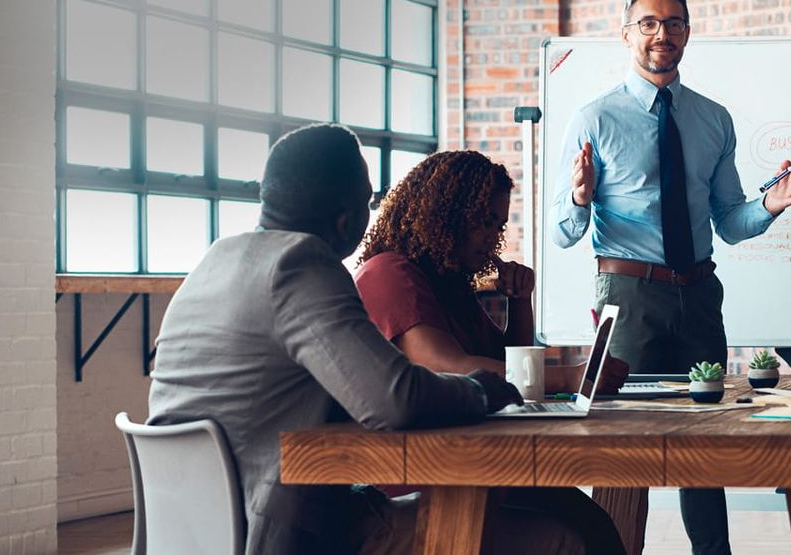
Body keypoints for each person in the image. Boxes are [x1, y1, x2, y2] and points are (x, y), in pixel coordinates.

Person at [148, 124, 584, 555]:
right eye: (367, 201)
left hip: (191, 529)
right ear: (347, 217)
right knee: (561, 539)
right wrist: (478, 390)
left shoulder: (213, 262)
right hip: (282, 529)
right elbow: (396, 399)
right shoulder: (303, 265)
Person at [551, 0, 791, 555]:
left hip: (698, 293)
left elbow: (729, 220)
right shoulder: (593, 118)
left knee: (706, 444)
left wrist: (772, 204)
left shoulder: (713, 119)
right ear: (627, 34)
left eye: (672, 23)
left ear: (688, 33)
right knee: (623, 452)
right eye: (648, 22)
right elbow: (561, 232)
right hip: (628, 296)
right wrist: (578, 197)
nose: (660, 33)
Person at [354, 150, 629, 555]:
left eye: (497, 225)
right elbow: (453, 369)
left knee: (588, 520)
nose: (492, 238)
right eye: (483, 222)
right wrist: (573, 377)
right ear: (444, 215)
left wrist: (520, 301)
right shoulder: (389, 273)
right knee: (580, 529)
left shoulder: (446, 283)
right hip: (421, 476)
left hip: (469, 462)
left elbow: (509, 364)